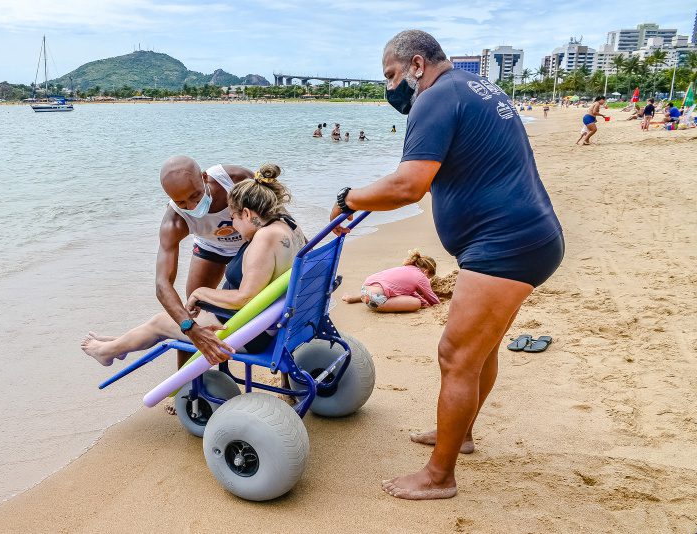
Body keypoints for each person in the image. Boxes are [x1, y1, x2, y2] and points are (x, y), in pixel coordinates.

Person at [330, 29, 563, 500]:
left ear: (417, 65)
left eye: (392, 75)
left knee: (454, 356)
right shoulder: (475, 89)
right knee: (482, 351)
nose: (390, 87)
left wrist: (347, 199)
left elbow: (407, 186)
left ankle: (439, 476)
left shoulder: (434, 98)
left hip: (505, 244)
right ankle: (463, 434)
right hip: (523, 236)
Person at [82, 164, 306, 367]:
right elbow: (162, 284)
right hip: (278, 319)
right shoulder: (287, 228)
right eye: (181, 202)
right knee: (182, 319)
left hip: (255, 331)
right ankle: (122, 344)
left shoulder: (260, 234)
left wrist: (200, 293)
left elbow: (244, 298)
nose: (192, 205)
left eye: (234, 218)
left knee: (160, 322)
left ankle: (109, 350)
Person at [342, 249, 440, 312]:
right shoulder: (421, 276)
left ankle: (353, 298)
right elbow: (432, 299)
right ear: (426, 272)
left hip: (365, 290)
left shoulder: (405, 268)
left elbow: (411, 293)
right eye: (428, 278)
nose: (427, 280)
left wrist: (424, 301)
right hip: (375, 300)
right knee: (416, 303)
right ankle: (366, 299)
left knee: (392, 290)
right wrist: (433, 304)